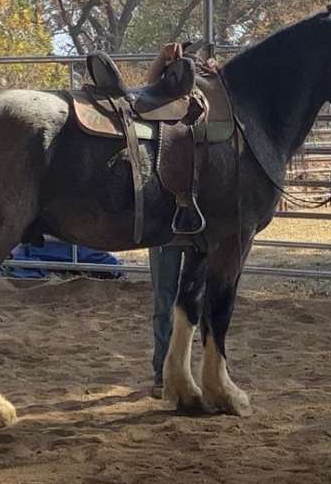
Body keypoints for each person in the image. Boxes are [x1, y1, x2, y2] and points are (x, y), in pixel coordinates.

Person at [147, 42, 186, 399]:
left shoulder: (204, 115)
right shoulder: (154, 112)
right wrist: (161, 60)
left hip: (183, 225)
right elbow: (147, 86)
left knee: (175, 299)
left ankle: (174, 368)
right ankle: (161, 369)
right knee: (164, 298)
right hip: (167, 225)